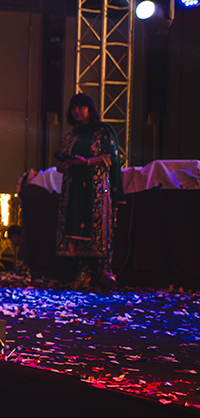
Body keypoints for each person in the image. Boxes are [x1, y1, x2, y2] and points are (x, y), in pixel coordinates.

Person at [56, 92, 124, 291]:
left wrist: (87, 162)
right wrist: (64, 165)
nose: (77, 111)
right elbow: (61, 164)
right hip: (73, 188)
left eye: (81, 107)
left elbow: (111, 158)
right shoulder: (70, 135)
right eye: (73, 107)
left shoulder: (103, 131)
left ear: (89, 109)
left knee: (98, 229)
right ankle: (82, 275)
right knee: (75, 232)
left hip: (96, 188)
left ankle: (103, 274)